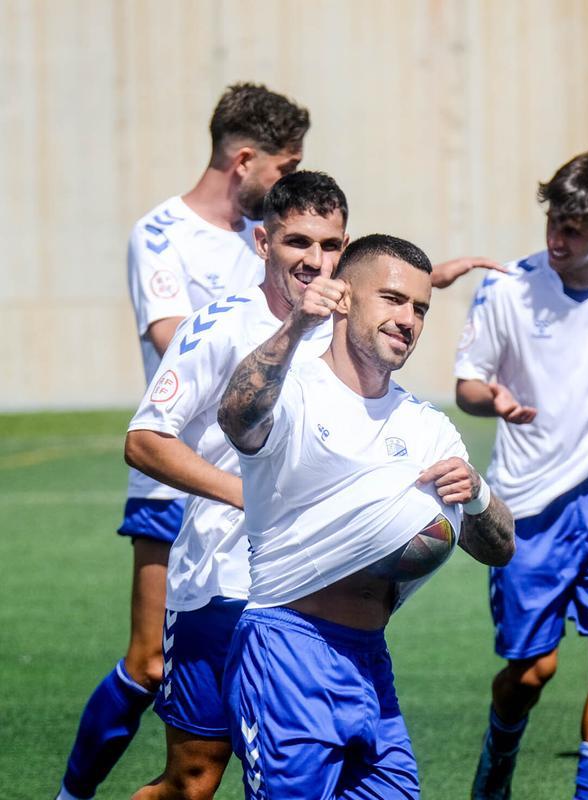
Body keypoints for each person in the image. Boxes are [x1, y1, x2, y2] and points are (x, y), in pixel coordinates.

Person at [57, 82, 310, 800]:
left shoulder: (268, 237)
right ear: (245, 159)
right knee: (148, 665)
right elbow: (177, 340)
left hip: (258, 479)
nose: (289, 182)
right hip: (176, 478)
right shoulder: (161, 233)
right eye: (287, 167)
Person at [218, 233, 515, 799]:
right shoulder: (295, 391)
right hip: (288, 651)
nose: (408, 320)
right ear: (344, 297)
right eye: (393, 299)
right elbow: (236, 416)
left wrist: (477, 494)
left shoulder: (427, 425)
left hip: (370, 661)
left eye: (420, 308)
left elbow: (501, 548)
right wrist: (295, 326)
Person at [121, 171, 348, 798]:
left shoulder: (352, 332)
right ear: (263, 242)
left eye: (330, 245)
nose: (315, 259)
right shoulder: (216, 326)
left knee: (296, 774)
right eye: (298, 241)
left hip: (317, 590)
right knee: (193, 780)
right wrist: (244, 494)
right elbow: (145, 441)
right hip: (218, 584)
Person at [458, 145, 588, 800]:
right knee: (532, 672)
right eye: (552, 221)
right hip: (524, 511)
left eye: (573, 230)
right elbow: (467, 385)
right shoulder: (506, 289)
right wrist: (493, 399)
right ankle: (498, 759)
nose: (556, 238)